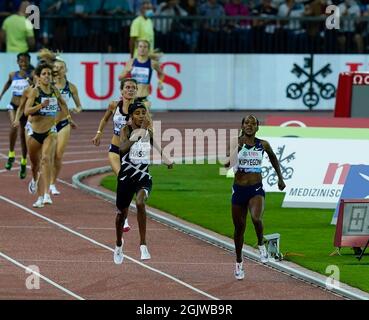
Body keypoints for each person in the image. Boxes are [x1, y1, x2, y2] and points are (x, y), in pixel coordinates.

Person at [225, 115, 286, 280]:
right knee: (239, 229)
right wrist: (237, 149)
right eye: (246, 123)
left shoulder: (263, 144)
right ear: (242, 126)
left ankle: (261, 244)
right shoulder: (235, 142)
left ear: (257, 127)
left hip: (256, 189)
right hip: (238, 190)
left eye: (253, 123)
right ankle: (239, 263)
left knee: (256, 218)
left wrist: (280, 178)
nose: (249, 125)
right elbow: (225, 165)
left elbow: (273, 158)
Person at [113, 101, 173, 264]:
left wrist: (166, 158)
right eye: (137, 113)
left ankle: (143, 244)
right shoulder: (125, 130)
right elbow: (122, 149)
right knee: (121, 215)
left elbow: (157, 146)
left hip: (143, 177)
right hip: (126, 178)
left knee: (140, 202)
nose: (141, 116)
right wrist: (138, 133)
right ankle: (119, 244)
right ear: (131, 116)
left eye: (143, 113)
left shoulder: (149, 132)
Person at [92, 78, 140, 232]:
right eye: (127, 87)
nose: (130, 90)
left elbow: (147, 128)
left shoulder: (139, 109)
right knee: (122, 178)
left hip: (131, 152)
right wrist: (99, 133)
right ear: (122, 90)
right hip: (115, 149)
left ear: (136, 91)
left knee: (128, 184)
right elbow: (105, 118)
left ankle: (122, 210)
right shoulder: (114, 105)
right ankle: (124, 217)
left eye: (133, 87)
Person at [24, 63, 70, 208]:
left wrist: (66, 117)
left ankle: (46, 195)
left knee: (46, 159)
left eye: (49, 74)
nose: (47, 76)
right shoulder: (35, 92)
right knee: (35, 165)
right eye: (44, 73)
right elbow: (26, 111)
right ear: (38, 76)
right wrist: (40, 106)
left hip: (50, 130)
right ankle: (37, 190)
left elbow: (63, 104)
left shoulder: (54, 90)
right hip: (35, 132)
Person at [49, 57, 81, 195]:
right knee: (46, 156)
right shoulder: (48, 86)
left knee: (58, 155)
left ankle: (52, 184)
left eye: (61, 67)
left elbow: (79, 106)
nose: (58, 70)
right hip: (47, 124)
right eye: (55, 67)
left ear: (66, 70)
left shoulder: (71, 87)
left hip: (63, 124)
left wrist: (77, 109)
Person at [0, 52, 32, 179]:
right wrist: (1, 94)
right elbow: (8, 83)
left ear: (29, 62)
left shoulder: (32, 75)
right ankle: (11, 154)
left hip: (25, 109)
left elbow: (36, 87)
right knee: (14, 125)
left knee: (23, 137)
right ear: (18, 62)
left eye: (25, 61)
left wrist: (28, 79)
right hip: (13, 105)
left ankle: (23, 162)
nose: (23, 64)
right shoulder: (13, 74)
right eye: (21, 61)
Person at [119, 39, 164, 108]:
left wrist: (160, 82)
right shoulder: (131, 62)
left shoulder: (152, 63)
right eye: (140, 46)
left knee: (143, 117)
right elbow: (120, 78)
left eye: (145, 47)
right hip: (132, 98)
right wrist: (127, 71)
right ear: (137, 48)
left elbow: (161, 73)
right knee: (131, 118)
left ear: (148, 49)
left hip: (144, 97)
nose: (142, 49)